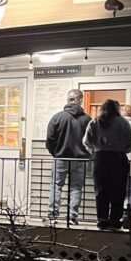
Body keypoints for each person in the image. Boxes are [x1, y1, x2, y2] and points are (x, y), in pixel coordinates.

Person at [82, 99, 131, 230]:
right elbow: (129, 144)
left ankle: (102, 220)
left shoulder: (94, 122)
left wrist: (94, 150)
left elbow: (86, 141)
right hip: (118, 158)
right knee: (118, 190)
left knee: (101, 190)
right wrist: (124, 150)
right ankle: (115, 221)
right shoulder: (123, 123)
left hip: (100, 158)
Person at [45, 89, 91, 224]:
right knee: (76, 187)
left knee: (56, 186)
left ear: (68, 100)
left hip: (61, 158)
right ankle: (72, 217)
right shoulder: (87, 119)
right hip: (80, 159)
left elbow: (49, 139)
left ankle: (53, 216)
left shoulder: (57, 117)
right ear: (80, 100)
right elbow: (92, 140)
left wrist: (56, 152)